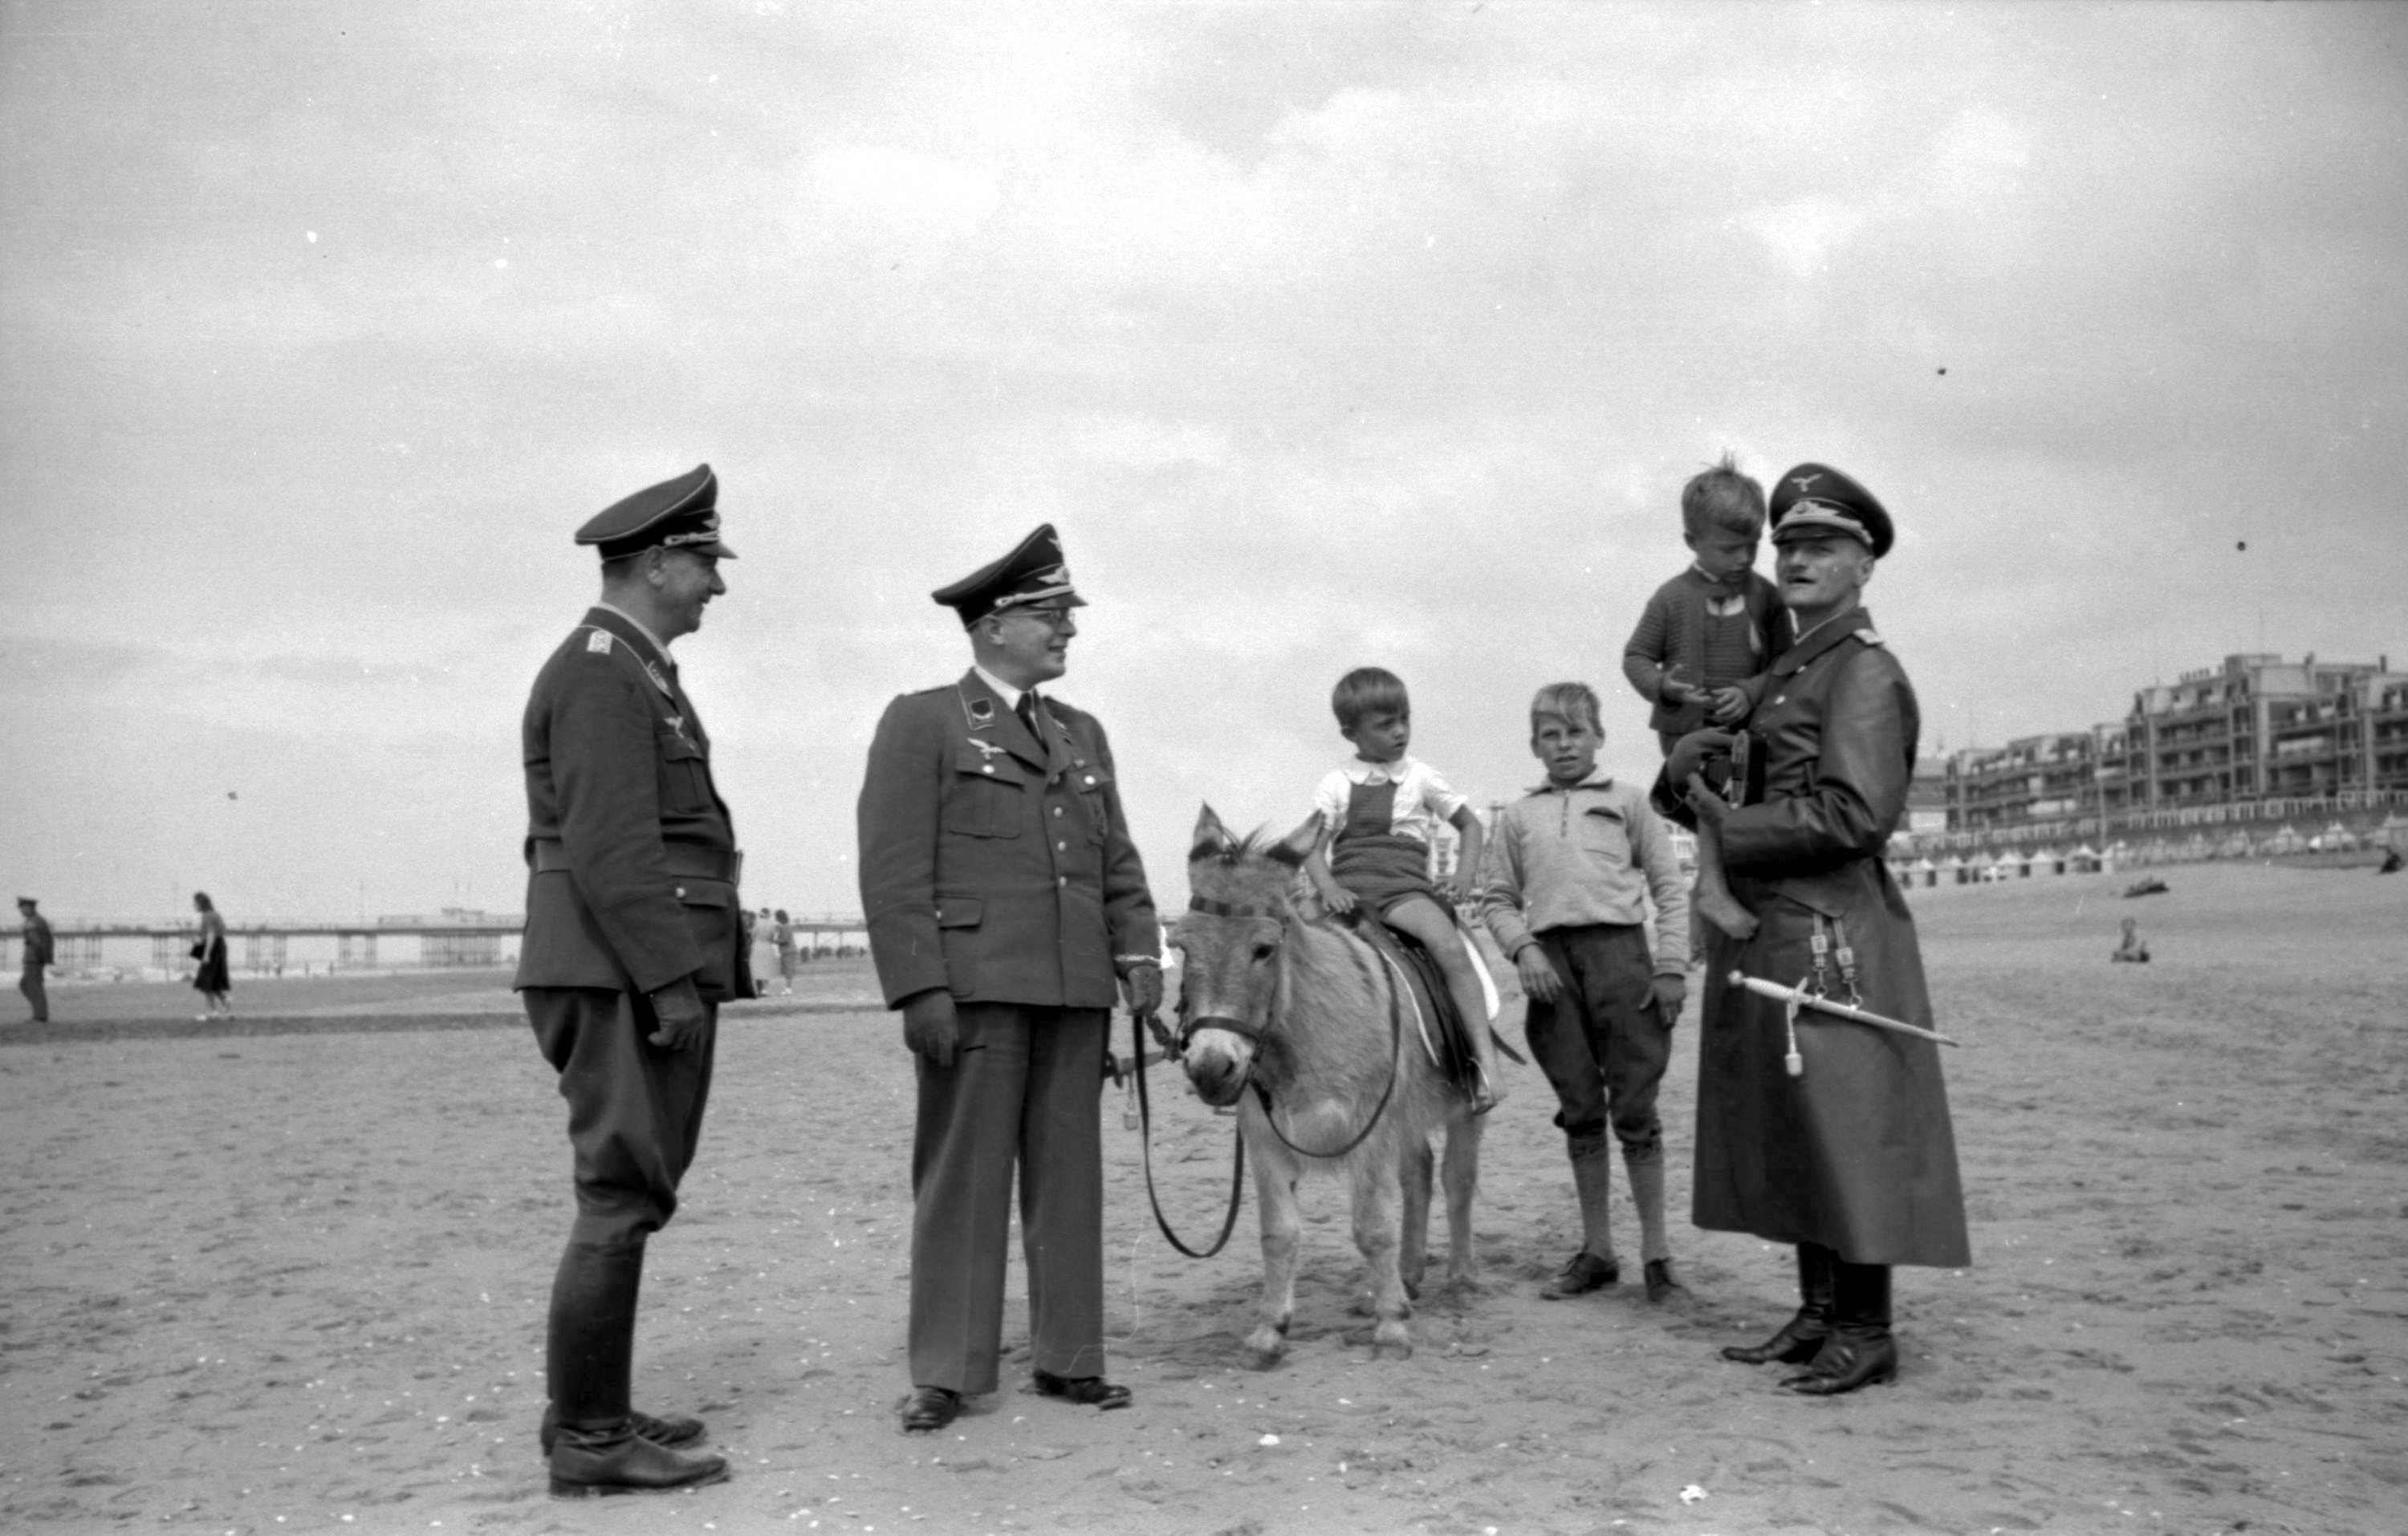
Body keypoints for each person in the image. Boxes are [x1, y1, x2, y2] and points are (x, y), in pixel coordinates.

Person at [1660, 461, 1970, 1396]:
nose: (1797, 561)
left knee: (1846, 1125)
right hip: (1775, 928)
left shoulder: (1864, 672)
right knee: (1793, 1125)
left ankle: (1868, 1329)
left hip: (1835, 927)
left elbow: (1853, 815)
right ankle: (1821, 1312)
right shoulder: (1785, 672)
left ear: (1864, 564)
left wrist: (1725, 828)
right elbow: (1732, 795)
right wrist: (1687, 780)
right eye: (1787, 546)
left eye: (1822, 547)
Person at [856, 524, 1162, 1435]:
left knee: (1070, 1182)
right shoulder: (925, 722)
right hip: (977, 991)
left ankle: (1070, 1360)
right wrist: (919, 990)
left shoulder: (1082, 733)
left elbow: (1117, 861)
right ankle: (947, 1374)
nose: (1067, 631)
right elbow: (894, 870)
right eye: (1051, 615)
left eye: (1067, 614)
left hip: (1074, 992)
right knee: (965, 1180)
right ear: (995, 626)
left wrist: (1138, 954)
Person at [514, 463, 742, 1497]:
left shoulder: (626, 667)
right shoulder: (607, 670)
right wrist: (669, 981)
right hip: (615, 972)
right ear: (657, 563)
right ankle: (594, 1442)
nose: (716, 586)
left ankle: (587, 1410)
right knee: (619, 1192)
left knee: (629, 1190)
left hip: (614, 967)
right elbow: (611, 847)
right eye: (705, 564)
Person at [1480, 684, 1693, 1302]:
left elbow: (1669, 889)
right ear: (1535, 746)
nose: (1564, 744)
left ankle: (1658, 1257)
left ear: (1598, 736)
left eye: (1576, 731)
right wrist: (1524, 950)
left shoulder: (1628, 801)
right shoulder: (1518, 817)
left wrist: (1671, 966)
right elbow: (1496, 899)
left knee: (1635, 1109)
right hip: (1552, 973)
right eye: (1551, 734)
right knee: (1580, 1110)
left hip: (1623, 961)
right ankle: (1598, 1252)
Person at [1304, 667, 1502, 1113]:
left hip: (1403, 892)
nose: (1400, 732)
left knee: (1448, 947)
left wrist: (1465, 876)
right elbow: (1313, 849)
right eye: (1385, 724)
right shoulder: (1336, 783)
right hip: (1351, 894)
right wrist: (1330, 887)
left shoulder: (1421, 777)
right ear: (1351, 733)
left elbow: (1469, 825)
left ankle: (1483, 1058)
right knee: (1286, 947)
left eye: (1404, 720)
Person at [1623, 454, 1789, 943]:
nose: (1744, 559)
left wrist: (1750, 690)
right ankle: (1710, 892)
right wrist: (1662, 686)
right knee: (1709, 799)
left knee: (1726, 809)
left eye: (1753, 546)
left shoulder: (1767, 597)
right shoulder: (1671, 598)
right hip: (1684, 732)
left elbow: (1784, 665)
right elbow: (1635, 657)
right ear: (1692, 542)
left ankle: (1708, 896)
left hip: (1745, 731)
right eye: (1730, 548)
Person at [191, 892, 232, 1020]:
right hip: (220, 947)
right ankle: (224, 1000)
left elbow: (211, 935)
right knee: (213, 981)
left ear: (201, 904)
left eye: (195, 903)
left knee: (206, 981)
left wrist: (207, 954)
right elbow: (216, 933)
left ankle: (212, 1012)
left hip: (213, 949)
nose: (193, 905)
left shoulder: (207, 916)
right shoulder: (215, 915)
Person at [16, 896, 52, 1024]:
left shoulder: (33, 922)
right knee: (26, 985)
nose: (21, 911)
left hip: (33, 959)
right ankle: (39, 1013)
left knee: (32, 986)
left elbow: (36, 942)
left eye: (22, 908)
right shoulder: (38, 920)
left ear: (30, 908)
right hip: (35, 959)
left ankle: (40, 1016)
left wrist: (40, 958)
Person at [771, 909, 798, 994]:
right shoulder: (785, 926)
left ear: (779, 917)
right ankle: (788, 988)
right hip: (788, 951)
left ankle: (788, 989)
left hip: (788, 951)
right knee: (787, 970)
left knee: (788, 970)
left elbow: (785, 940)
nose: (775, 918)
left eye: (776, 917)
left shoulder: (785, 926)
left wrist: (774, 941)